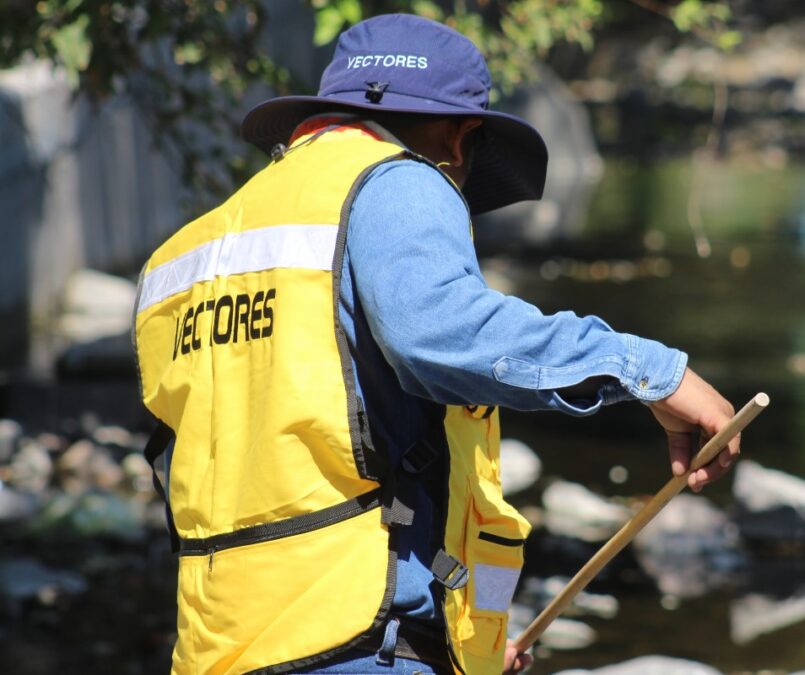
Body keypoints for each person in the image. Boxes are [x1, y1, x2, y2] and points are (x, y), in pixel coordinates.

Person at [133, 13, 740, 675]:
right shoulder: (397, 179)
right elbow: (439, 333)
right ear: (459, 135)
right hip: (356, 640)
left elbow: (281, 480)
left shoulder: (182, 259)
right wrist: (647, 369)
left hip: (215, 647)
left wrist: (467, 642)